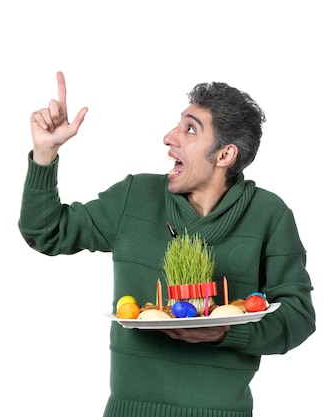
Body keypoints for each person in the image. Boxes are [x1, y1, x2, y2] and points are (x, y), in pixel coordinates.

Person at [18, 71, 316, 417]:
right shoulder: (135, 196)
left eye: (190, 129)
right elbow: (46, 231)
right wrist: (45, 153)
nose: (168, 137)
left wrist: (226, 334)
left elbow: (298, 317)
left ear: (224, 155)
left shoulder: (269, 214)